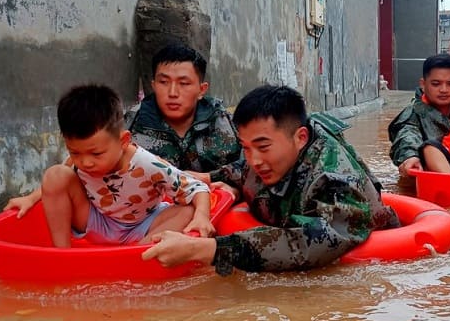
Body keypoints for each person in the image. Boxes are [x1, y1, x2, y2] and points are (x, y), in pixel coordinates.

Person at [141, 85, 399, 275]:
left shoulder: (336, 179)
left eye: (262, 147)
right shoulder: (267, 156)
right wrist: (211, 179)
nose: (254, 160)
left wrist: (204, 250)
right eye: (245, 147)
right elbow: (241, 168)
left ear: (300, 137)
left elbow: (313, 243)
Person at [5, 85, 214, 247]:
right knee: (56, 174)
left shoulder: (147, 164)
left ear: (123, 141)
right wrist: (30, 198)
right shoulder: (79, 163)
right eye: (75, 152)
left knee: (187, 211)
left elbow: (198, 188)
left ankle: (139, 254)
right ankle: (62, 254)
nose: (85, 162)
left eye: (96, 153)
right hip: (97, 222)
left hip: (143, 226)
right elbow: (54, 183)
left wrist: (202, 217)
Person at [128, 43, 241, 172]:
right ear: (153, 86)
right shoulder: (131, 124)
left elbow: (251, 168)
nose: (172, 93)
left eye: (184, 83)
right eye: (164, 82)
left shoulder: (225, 122)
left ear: (201, 90)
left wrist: (221, 181)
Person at [387, 53, 450, 176]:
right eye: (436, 84)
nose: (444, 90)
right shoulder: (413, 114)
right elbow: (407, 135)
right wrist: (410, 156)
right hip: (437, 175)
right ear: (423, 84)